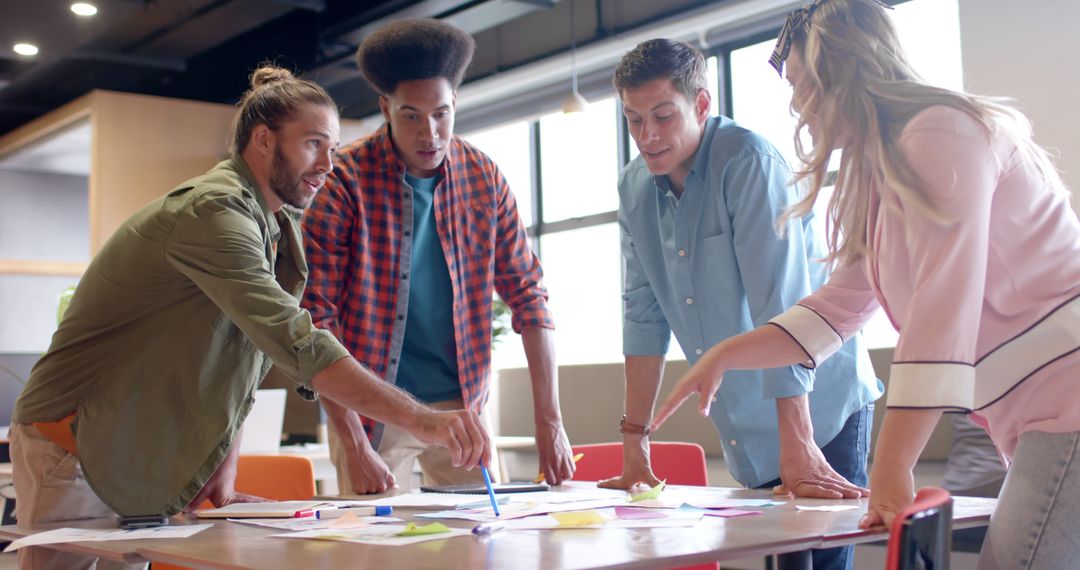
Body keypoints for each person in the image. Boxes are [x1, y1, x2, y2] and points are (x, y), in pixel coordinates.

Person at [10, 65, 490, 570]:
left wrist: (223, 465)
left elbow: (248, 349)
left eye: (333, 146)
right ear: (263, 140)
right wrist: (423, 420)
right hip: (73, 440)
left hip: (134, 444)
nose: (330, 163)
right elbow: (295, 339)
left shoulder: (273, 223)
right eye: (314, 144)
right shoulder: (215, 212)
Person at [652, 1, 1080, 567]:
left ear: (844, 71)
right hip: (1034, 417)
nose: (797, 104)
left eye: (803, 84)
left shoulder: (941, 133)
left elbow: (939, 314)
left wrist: (893, 463)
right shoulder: (889, 170)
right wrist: (727, 356)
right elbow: (835, 311)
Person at [605, 38, 882, 569]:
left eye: (663, 116)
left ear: (702, 104)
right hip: (747, 420)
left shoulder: (747, 160)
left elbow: (782, 306)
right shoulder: (635, 187)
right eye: (634, 120)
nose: (648, 135)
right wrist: (635, 442)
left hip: (818, 409)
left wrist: (797, 442)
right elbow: (643, 315)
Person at [303, 19, 574, 495]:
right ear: (385, 108)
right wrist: (351, 443)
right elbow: (316, 322)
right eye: (411, 115)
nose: (429, 133)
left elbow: (530, 299)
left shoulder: (484, 178)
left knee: (483, 547)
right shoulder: (343, 180)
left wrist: (549, 422)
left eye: (441, 113)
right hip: (372, 412)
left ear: (455, 104)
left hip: (461, 409)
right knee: (375, 556)